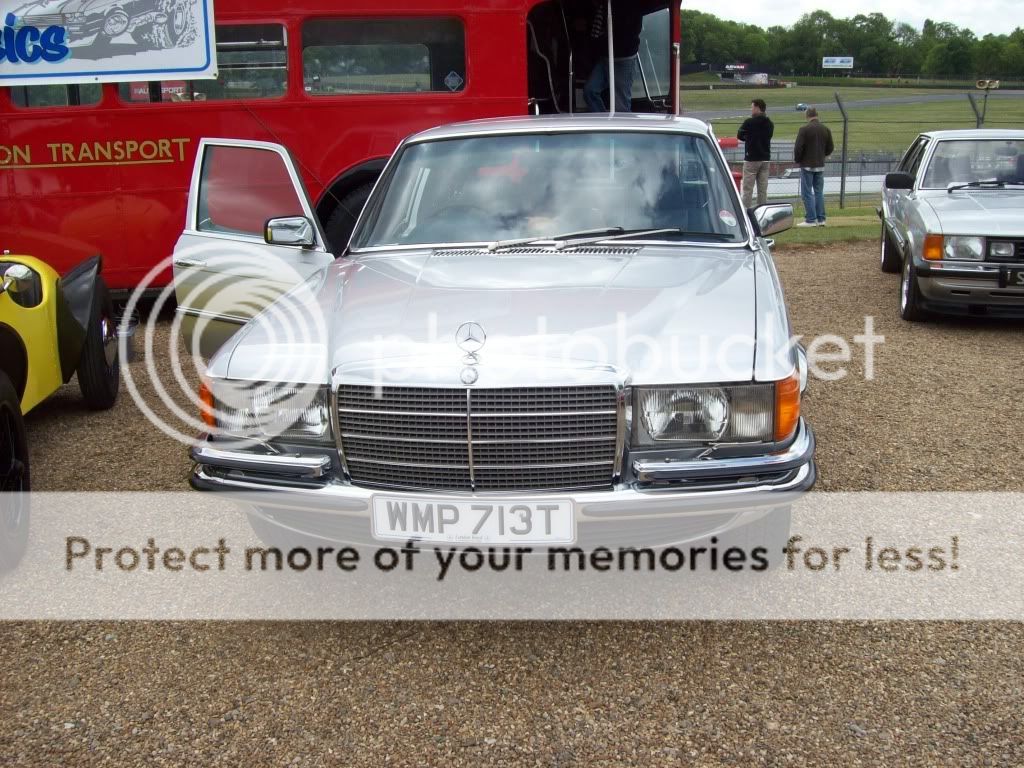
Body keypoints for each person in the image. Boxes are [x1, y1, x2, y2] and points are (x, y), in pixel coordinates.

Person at [583, 0, 645, 113]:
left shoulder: (628, 5)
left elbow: (632, 29)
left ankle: (623, 129)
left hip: (623, 58)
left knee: (621, 105)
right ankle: (604, 123)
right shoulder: (603, 6)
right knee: (590, 91)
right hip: (605, 57)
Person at [793, 107, 835, 227]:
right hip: (820, 164)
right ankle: (821, 219)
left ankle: (810, 219)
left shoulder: (804, 129)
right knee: (819, 192)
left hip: (807, 165)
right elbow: (830, 147)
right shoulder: (825, 129)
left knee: (807, 192)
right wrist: (823, 155)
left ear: (807, 116)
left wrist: (798, 159)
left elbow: (798, 148)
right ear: (817, 115)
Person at [737, 99, 774, 208]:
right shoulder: (769, 123)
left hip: (751, 158)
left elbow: (739, 135)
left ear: (757, 108)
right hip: (765, 158)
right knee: (762, 190)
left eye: (752, 107)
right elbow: (769, 137)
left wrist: (748, 138)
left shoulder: (749, 122)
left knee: (748, 189)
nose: (751, 109)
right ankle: (762, 211)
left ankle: (746, 212)